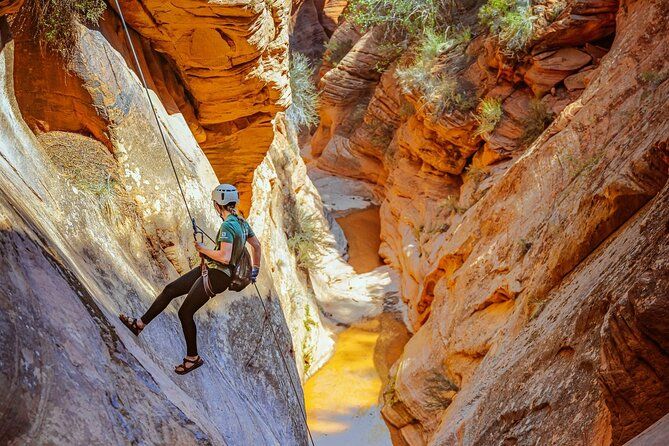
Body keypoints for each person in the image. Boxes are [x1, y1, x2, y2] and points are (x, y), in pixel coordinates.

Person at [119, 184, 261, 375]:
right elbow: (257, 246)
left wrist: (202, 249)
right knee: (170, 290)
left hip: (217, 276)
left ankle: (192, 358)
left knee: (185, 313)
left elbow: (225, 257)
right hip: (212, 271)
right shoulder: (242, 223)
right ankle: (139, 325)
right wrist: (255, 270)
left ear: (218, 204)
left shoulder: (228, 225)